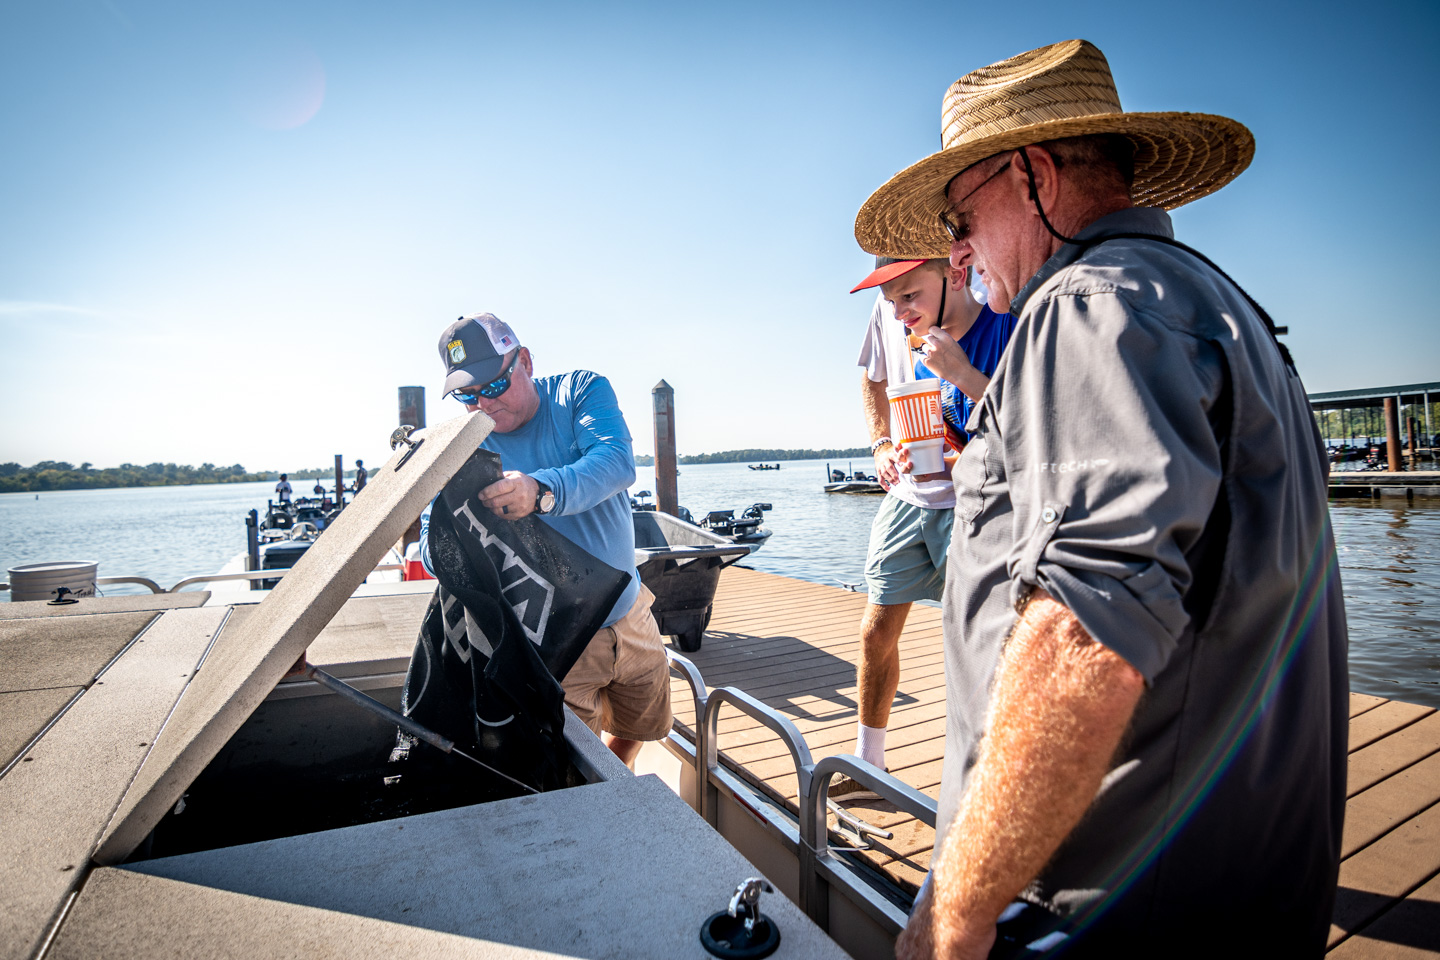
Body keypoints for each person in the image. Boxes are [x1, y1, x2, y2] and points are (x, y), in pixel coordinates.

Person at [853, 40, 1346, 957]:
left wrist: (952, 915)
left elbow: (1084, 634)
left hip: (1103, 906)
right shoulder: (1220, 305)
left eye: (962, 216)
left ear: (1034, 174)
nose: (956, 252)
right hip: (1242, 885)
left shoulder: (1083, 307)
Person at [418, 313, 672, 767]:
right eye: (467, 395)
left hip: (630, 612)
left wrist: (540, 492)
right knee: (572, 768)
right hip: (552, 643)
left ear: (526, 361)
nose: (484, 404)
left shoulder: (579, 391)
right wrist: (455, 549)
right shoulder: (459, 449)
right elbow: (428, 539)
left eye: (495, 385)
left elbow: (615, 461)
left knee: (643, 726)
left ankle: (619, 780)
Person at [831, 256, 1013, 800]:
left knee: (980, 646)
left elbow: (1032, 424)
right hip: (909, 495)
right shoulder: (893, 314)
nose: (898, 312)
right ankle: (870, 766)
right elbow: (873, 379)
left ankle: (989, 784)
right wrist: (882, 445)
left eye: (909, 296)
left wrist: (961, 380)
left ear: (956, 274)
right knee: (875, 632)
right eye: (891, 301)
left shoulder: (1004, 316)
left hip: (976, 503)